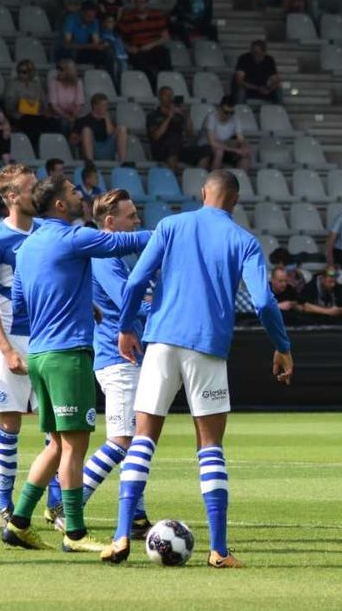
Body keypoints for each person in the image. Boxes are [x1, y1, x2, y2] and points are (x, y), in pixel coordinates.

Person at [112, 170, 293, 567]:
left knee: (143, 439)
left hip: (159, 342)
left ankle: (121, 535)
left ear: (203, 193)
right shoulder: (242, 240)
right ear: (235, 201)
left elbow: (137, 279)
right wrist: (282, 346)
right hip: (207, 348)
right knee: (210, 447)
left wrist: (126, 327)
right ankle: (218, 549)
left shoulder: (171, 225)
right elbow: (263, 302)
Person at [0, 176, 151, 554]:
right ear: (60, 206)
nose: (80, 195)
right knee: (74, 448)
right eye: (72, 192)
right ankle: (76, 532)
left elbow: (19, 306)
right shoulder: (73, 237)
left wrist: (72, 303)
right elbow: (125, 241)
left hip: (38, 353)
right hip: (69, 355)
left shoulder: (27, 246)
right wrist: (174, 233)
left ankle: (18, 522)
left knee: (54, 446)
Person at [77, 190, 157, 548]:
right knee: (123, 439)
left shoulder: (115, 256)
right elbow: (128, 300)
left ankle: (136, 516)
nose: (137, 221)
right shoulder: (105, 255)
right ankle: (66, 502)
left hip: (126, 356)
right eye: (131, 216)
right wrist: (163, 306)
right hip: (116, 356)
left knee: (137, 438)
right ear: (110, 223)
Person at [0, 164, 42, 525]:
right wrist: (6, 349)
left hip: (48, 338)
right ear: (11, 196)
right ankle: (5, 505)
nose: (39, 192)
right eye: (31, 187)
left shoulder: (46, 231)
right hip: (12, 338)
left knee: (57, 427)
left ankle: (56, 504)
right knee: (10, 423)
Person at [117, 0, 173, 88]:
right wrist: (129, 48)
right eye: (137, 1)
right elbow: (118, 39)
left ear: (147, 2)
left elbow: (166, 38)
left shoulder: (157, 15)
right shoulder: (127, 18)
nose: (139, 4)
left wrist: (150, 45)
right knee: (140, 62)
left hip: (154, 47)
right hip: (137, 50)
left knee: (164, 54)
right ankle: (152, 85)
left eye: (142, 2)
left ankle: (167, 84)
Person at [147, 86, 210, 170]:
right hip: (161, 150)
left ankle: (198, 177)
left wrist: (186, 114)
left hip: (180, 149)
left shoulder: (178, 115)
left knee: (207, 150)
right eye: (167, 95)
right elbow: (156, 136)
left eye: (171, 95)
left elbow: (190, 134)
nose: (170, 98)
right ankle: (173, 179)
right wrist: (169, 117)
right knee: (172, 148)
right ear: (160, 97)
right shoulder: (153, 115)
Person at [4, 59, 59, 145]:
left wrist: (44, 110)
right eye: (19, 71)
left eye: (24, 72)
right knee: (31, 123)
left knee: (54, 122)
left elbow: (44, 103)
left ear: (30, 72)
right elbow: (8, 106)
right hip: (18, 116)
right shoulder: (12, 85)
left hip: (36, 114)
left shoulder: (37, 86)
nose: (21, 74)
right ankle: (35, 150)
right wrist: (20, 101)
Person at [61, 2, 115, 75]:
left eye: (93, 16)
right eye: (88, 16)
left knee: (108, 52)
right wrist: (90, 46)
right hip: (69, 52)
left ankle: (110, 80)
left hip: (85, 51)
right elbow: (67, 45)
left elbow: (95, 42)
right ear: (82, 13)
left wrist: (101, 44)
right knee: (72, 52)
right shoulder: (71, 20)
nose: (91, 19)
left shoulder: (94, 21)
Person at [74, 93, 130, 164]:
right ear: (95, 106)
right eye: (103, 105)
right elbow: (73, 139)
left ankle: (123, 162)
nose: (106, 107)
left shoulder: (109, 120)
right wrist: (79, 137)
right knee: (86, 130)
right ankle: (90, 163)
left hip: (108, 147)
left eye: (107, 105)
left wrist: (107, 118)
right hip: (93, 148)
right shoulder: (83, 120)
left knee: (122, 128)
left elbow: (110, 133)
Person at [200, 97, 251, 171]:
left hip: (225, 147)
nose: (228, 115)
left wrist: (245, 147)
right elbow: (212, 142)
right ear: (220, 108)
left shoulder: (235, 118)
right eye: (226, 112)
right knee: (219, 152)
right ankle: (215, 179)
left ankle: (241, 179)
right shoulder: (211, 117)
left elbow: (241, 139)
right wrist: (235, 150)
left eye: (231, 113)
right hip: (207, 148)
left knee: (245, 154)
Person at [48, 59, 86, 133]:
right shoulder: (53, 83)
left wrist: (73, 117)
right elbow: (54, 105)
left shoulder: (78, 83)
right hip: (58, 114)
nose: (58, 73)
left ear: (69, 72)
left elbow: (79, 104)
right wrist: (65, 116)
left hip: (75, 114)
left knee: (80, 123)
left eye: (61, 70)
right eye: (58, 70)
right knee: (64, 123)